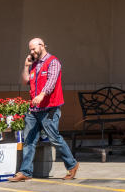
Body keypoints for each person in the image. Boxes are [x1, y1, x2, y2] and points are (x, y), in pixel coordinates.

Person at [9, 37, 80, 181]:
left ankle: (72, 165)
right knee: (29, 140)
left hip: (50, 108)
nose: (32, 51)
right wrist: (25, 66)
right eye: (30, 49)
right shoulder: (34, 65)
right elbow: (25, 81)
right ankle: (25, 172)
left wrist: (42, 95)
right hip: (34, 110)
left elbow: (52, 81)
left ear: (42, 46)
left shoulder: (53, 62)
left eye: (34, 48)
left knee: (54, 138)